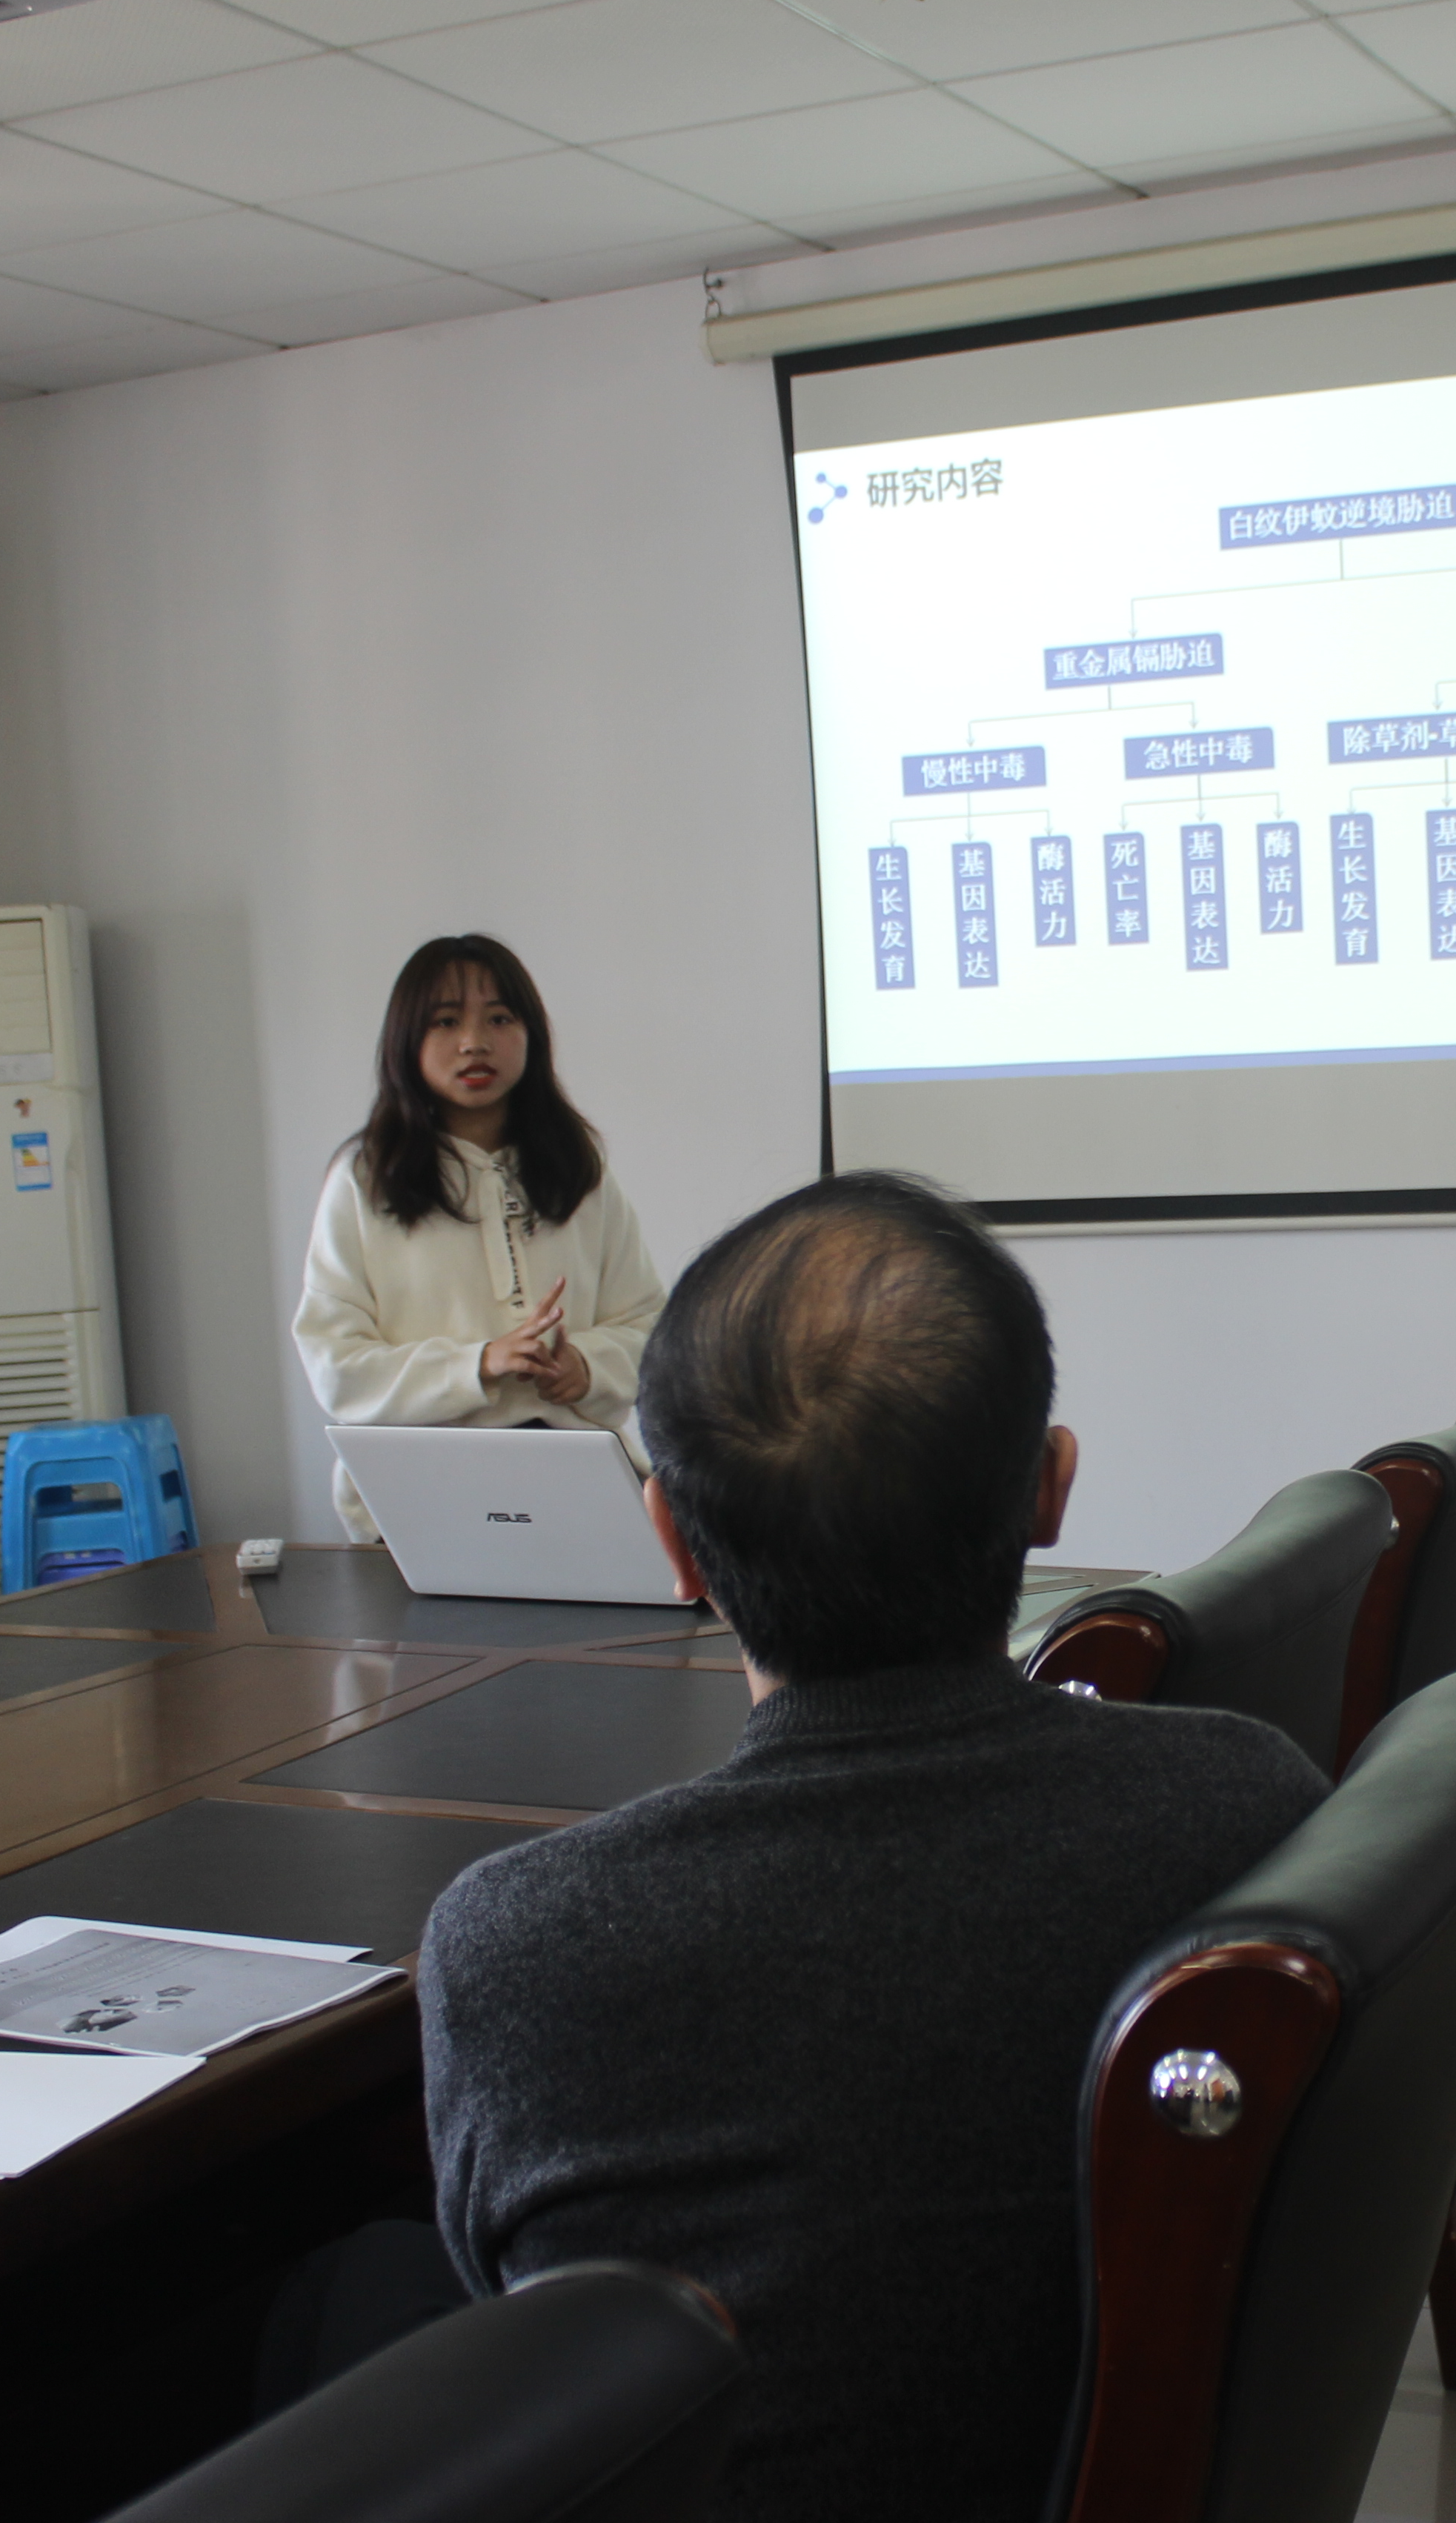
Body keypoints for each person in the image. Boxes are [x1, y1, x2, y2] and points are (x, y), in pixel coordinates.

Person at [414, 1173, 1328, 2519]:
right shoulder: (1255, 1807)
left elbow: (506, 2315)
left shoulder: (515, 1946)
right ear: (1049, 1489)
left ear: (671, 1539)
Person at [292, 935, 661, 1543]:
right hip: (420, 1483)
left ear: (531, 1034)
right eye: (446, 1021)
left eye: (499, 1018)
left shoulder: (579, 1168)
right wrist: (477, 1365)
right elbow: (335, 1366)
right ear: (406, 1039)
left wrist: (586, 1366)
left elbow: (650, 1329)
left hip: (576, 1475)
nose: (474, 1042)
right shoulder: (365, 1179)